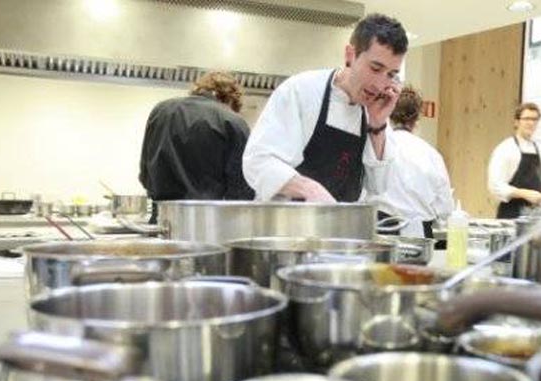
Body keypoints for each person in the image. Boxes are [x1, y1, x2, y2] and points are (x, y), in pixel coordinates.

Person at [242, 13, 408, 202]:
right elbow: (258, 162)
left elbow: (378, 186)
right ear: (350, 55)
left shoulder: (374, 112)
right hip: (286, 226)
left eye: (391, 74)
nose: (380, 85)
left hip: (341, 229)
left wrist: (377, 125)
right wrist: (309, 189)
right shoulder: (301, 90)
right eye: (375, 69)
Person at [139, 71, 253, 221]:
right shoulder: (232, 121)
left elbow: (144, 174)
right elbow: (242, 191)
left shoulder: (160, 111)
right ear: (231, 98)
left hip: (162, 220)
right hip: (206, 226)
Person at [367, 85, 454, 238]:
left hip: (380, 230)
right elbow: (445, 209)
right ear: (417, 119)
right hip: (419, 236)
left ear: (389, 113)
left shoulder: (376, 146)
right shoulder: (431, 154)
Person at [488, 102, 541, 219]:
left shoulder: (539, 149)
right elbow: (495, 186)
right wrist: (524, 194)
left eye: (535, 119)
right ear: (517, 122)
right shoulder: (506, 148)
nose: (531, 123)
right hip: (511, 216)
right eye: (527, 119)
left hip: (533, 217)